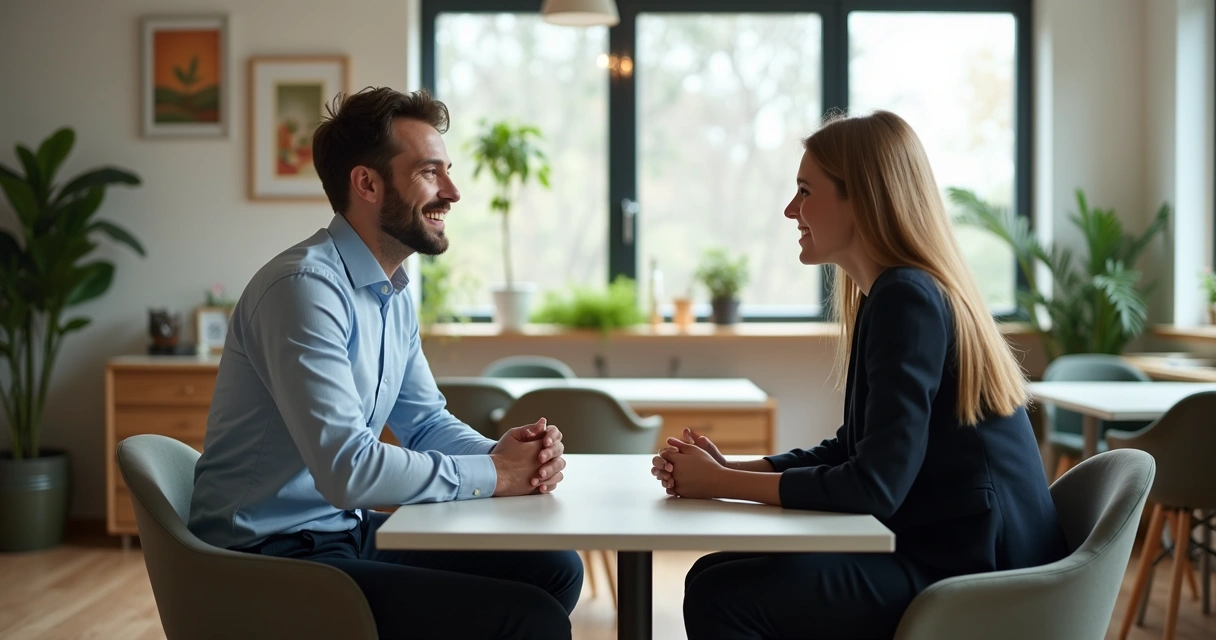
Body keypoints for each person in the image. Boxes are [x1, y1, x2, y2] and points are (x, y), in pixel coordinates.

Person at [650, 110, 1068, 639]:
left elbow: (873, 487)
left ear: (863, 198)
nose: (790, 210)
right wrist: (733, 469)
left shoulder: (906, 298)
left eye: (805, 191)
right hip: (954, 547)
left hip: (978, 571)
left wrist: (725, 483)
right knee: (715, 573)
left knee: (723, 593)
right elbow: (855, 450)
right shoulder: (894, 295)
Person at [188, 87, 582, 640]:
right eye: (429, 173)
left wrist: (507, 455)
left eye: (447, 170)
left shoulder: (390, 290)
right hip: (267, 557)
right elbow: (349, 470)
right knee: (529, 619)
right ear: (367, 184)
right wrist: (496, 475)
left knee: (554, 567)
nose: (453, 191)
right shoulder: (303, 289)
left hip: (338, 533)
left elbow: (423, 422)